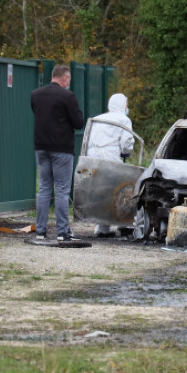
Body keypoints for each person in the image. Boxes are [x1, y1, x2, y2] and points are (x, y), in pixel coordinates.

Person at [31, 64, 85, 241]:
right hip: (62, 148)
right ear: (65, 79)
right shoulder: (67, 96)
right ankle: (63, 232)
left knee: (44, 188)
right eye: (68, 80)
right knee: (62, 190)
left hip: (41, 147)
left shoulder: (36, 95)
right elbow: (78, 123)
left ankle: (40, 231)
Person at [85, 93, 135, 237]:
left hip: (92, 158)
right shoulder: (124, 119)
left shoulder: (97, 119)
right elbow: (127, 142)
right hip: (111, 157)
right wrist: (126, 152)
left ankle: (102, 227)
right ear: (122, 105)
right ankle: (124, 224)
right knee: (120, 190)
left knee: (100, 191)